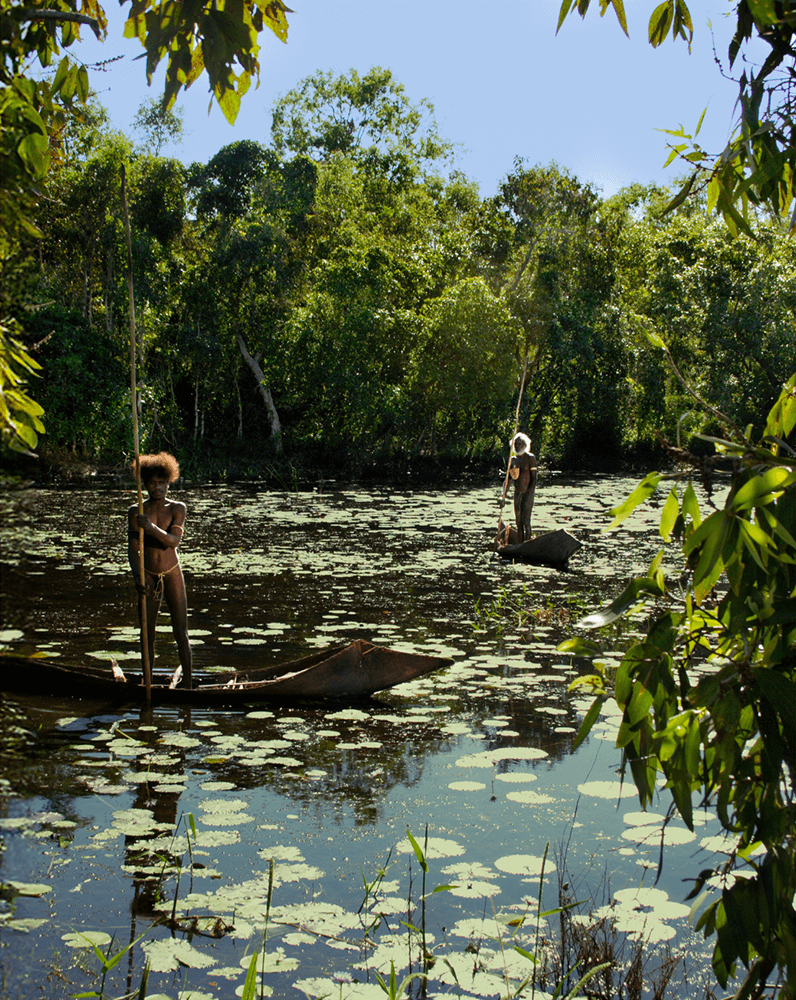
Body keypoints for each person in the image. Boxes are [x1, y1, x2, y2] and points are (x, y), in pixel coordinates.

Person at [127, 452, 192, 688]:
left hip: (172, 571)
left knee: (181, 632)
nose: (158, 488)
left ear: (169, 482)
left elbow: (173, 541)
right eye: (153, 483)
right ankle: (147, 682)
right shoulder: (136, 511)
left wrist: (151, 528)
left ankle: (188, 684)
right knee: (147, 633)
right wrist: (138, 576)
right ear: (145, 484)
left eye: (161, 483)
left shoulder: (178, 508)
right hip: (148, 575)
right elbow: (133, 549)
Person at [508, 432, 538, 543]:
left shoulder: (530, 458)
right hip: (517, 492)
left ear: (525, 445)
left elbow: (534, 479)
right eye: (516, 444)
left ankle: (528, 543)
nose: (518, 446)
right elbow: (509, 480)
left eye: (520, 444)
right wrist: (503, 497)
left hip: (528, 493)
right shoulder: (513, 460)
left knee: (526, 522)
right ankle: (520, 545)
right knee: (518, 522)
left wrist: (528, 493)